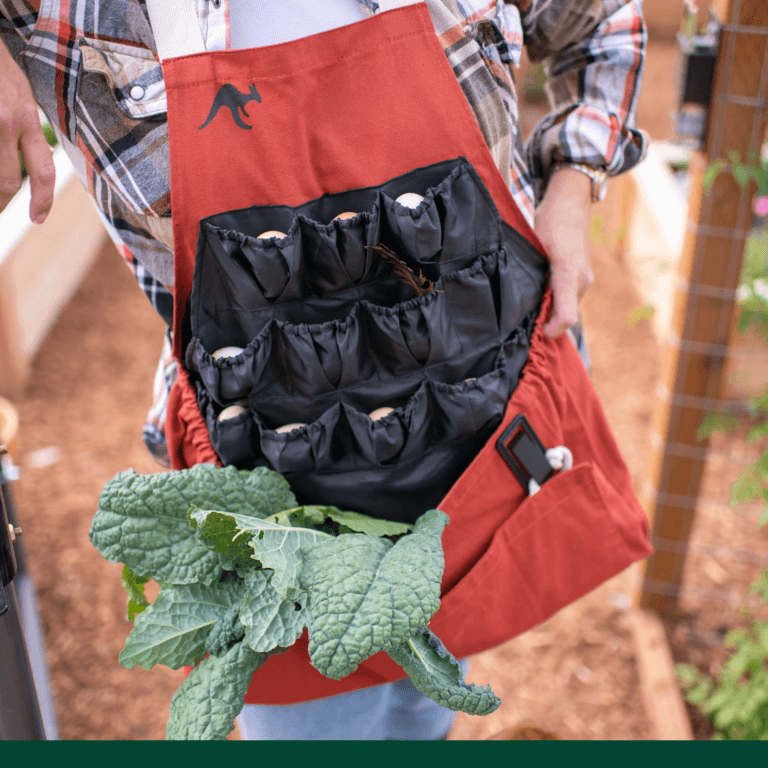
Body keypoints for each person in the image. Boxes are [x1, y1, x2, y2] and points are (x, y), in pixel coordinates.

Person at [0, 0, 648, 740]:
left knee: (429, 702)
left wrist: (574, 185)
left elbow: (602, 23)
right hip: (284, 509)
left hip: (487, 440)